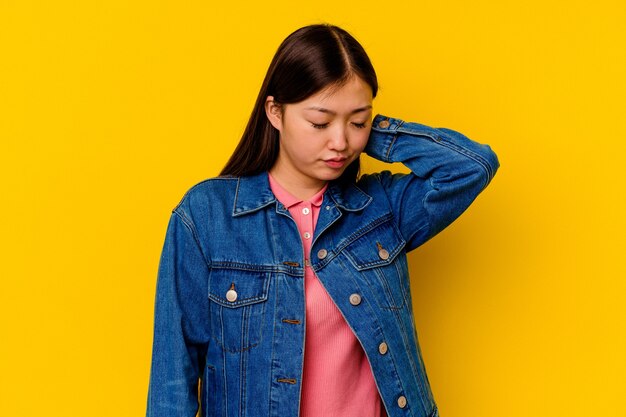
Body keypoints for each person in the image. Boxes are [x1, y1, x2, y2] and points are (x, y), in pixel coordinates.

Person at [146, 24, 499, 417]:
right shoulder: (208, 216)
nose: (340, 143)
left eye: (357, 122)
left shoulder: (382, 208)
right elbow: (171, 381)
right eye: (320, 122)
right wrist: (352, 122)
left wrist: (374, 134)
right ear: (274, 112)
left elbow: (473, 166)